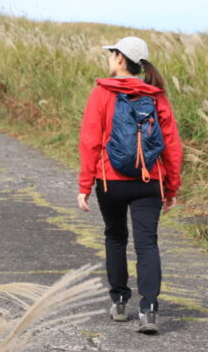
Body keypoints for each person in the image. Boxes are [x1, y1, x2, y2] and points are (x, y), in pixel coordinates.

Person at [76, 36, 183, 334]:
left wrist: (85, 185)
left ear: (120, 58)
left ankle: (120, 303)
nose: (110, 59)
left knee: (115, 237)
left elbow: (90, 142)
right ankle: (148, 310)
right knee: (147, 243)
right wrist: (171, 187)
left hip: (111, 181)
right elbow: (172, 145)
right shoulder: (156, 95)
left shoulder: (101, 93)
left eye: (112, 54)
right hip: (149, 181)